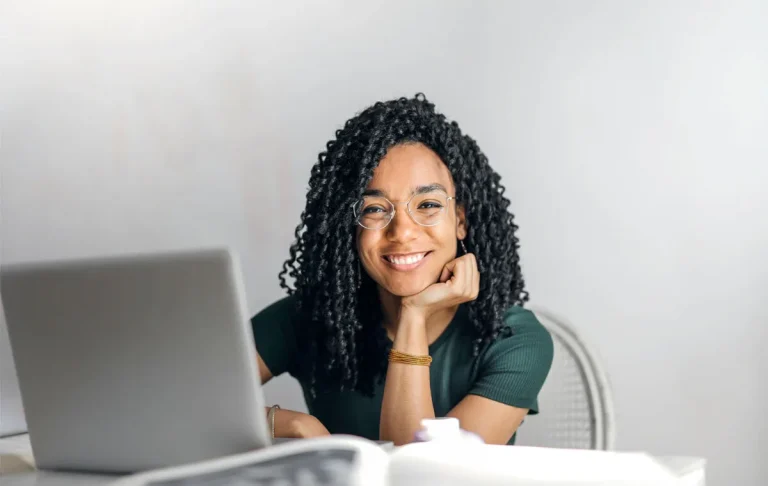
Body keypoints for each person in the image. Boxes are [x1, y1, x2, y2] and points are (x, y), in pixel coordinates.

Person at [251, 93, 554, 446]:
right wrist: (294, 424)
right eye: (375, 209)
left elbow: (423, 477)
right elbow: (181, 402)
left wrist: (414, 314)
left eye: (427, 204)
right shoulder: (309, 317)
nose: (403, 232)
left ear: (461, 220)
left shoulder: (514, 340)